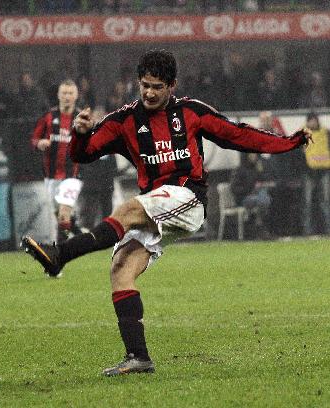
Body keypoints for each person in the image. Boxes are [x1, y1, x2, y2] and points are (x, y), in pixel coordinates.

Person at [21, 49, 311, 376]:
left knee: (129, 207)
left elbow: (238, 135)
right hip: (157, 206)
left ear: (172, 85)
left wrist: (288, 142)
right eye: (145, 85)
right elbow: (84, 154)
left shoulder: (190, 112)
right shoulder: (124, 121)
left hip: (188, 198)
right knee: (120, 267)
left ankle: (61, 253)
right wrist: (81, 132)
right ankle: (138, 357)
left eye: (157, 86)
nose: (149, 92)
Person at [31, 79, 83, 243]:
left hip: (71, 176)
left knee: (63, 213)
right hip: (51, 177)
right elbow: (34, 139)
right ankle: (76, 230)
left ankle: (61, 251)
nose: (67, 96)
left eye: (70, 93)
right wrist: (39, 143)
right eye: (64, 93)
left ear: (76, 96)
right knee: (59, 214)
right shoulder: (48, 117)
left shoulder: (81, 118)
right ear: (59, 96)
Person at [302, 112, 330, 235]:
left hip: (324, 171)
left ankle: (328, 229)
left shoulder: (326, 133)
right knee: (307, 203)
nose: (313, 122)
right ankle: (307, 231)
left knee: (325, 201)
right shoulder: (303, 134)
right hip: (309, 172)